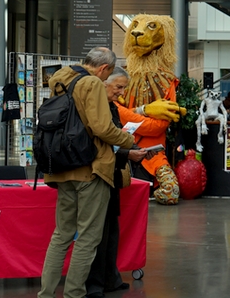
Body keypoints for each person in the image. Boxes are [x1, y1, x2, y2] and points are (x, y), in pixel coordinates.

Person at [39, 47, 136, 298]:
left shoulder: (61, 77)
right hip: (89, 169)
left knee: (61, 235)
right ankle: (74, 294)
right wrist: (127, 140)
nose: (106, 82)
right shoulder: (91, 82)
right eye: (108, 77)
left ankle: (46, 294)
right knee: (88, 238)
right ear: (104, 68)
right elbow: (102, 127)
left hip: (61, 168)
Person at [85, 67, 153, 298]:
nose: (121, 93)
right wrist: (126, 153)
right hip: (97, 175)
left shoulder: (112, 107)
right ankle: (94, 284)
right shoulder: (94, 108)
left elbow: (114, 137)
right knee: (97, 233)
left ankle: (110, 278)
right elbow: (99, 144)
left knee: (111, 230)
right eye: (118, 87)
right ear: (103, 81)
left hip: (112, 174)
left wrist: (131, 148)